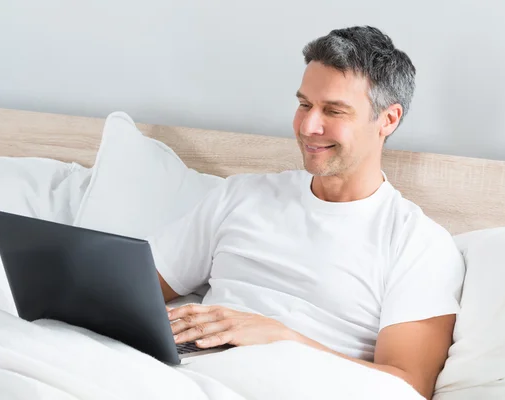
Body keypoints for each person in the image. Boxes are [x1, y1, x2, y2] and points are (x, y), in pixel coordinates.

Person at [147, 26, 465, 400]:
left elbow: (406, 386)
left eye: (333, 110)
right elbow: (134, 288)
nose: (308, 126)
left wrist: (282, 338)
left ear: (388, 120)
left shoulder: (418, 243)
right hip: (175, 375)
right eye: (304, 105)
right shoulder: (240, 195)